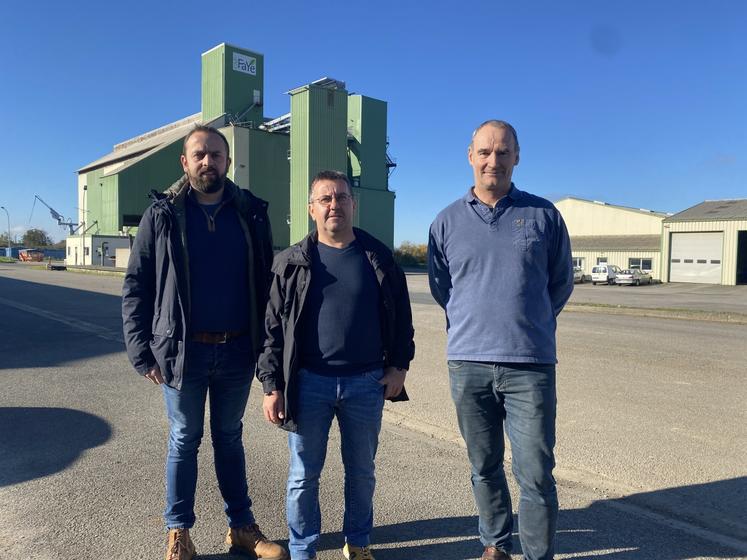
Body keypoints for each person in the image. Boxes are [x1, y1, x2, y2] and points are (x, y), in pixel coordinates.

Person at [122, 125, 288, 560]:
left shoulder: (249, 212)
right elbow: (136, 285)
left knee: (229, 438)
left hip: (236, 349)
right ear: (185, 162)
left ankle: (241, 527)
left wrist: (269, 351)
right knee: (184, 438)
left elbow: (267, 287)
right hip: (181, 351)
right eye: (199, 154)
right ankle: (178, 532)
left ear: (228, 161)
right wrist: (142, 351)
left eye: (216, 154)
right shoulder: (162, 215)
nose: (207, 161)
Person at [428, 120, 573, 560]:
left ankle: (536, 555)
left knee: (535, 473)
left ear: (517, 156)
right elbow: (442, 287)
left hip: (529, 365)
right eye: (486, 152)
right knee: (483, 467)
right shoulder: (446, 221)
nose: (494, 160)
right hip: (467, 365)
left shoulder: (544, 215)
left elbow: (559, 284)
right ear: (471, 156)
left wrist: (529, 323)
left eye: (503, 151)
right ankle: (494, 545)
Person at [257, 170, 415, 560]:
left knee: (361, 474)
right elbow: (271, 330)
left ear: (353, 204)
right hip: (309, 383)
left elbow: (402, 318)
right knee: (302, 477)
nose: (334, 205)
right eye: (325, 199)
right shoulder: (290, 263)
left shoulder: (377, 257)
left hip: (366, 383)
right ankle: (303, 550)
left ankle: (357, 544)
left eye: (341, 197)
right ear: (311, 209)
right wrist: (271, 385)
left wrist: (399, 366)